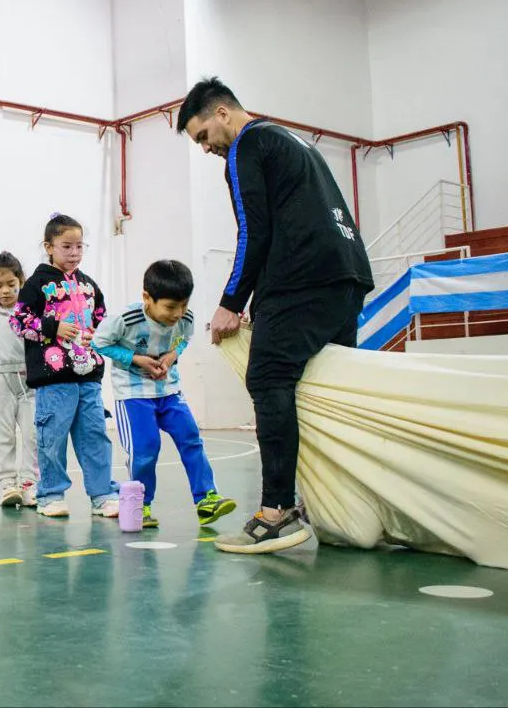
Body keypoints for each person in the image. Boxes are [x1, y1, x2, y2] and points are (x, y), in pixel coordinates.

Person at [177, 76, 373, 554]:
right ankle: (342, 507)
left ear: (222, 113)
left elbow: (254, 231)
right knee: (327, 391)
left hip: (303, 280)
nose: (205, 149)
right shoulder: (292, 139)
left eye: (202, 136)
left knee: (267, 381)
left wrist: (231, 302)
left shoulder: (248, 146)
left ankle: (277, 511)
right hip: (347, 277)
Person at [92, 259, 236, 529]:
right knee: (145, 449)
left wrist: (172, 355)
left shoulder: (186, 318)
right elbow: (99, 342)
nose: (178, 313)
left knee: (191, 438)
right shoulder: (126, 319)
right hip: (133, 395)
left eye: (183, 305)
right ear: (147, 298)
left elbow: (183, 340)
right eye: (170, 306)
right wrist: (135, 359)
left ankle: (206, 499)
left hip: (170, 391)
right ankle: (140, 505)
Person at [10, 214, 119, 520]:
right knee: (52, 437)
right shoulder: (36, 283)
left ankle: (102, 495)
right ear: (49, 246)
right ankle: (51, 494)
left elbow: (102, 319)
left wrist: (100, 335)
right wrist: (52, 327)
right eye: (66, 246)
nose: (74, 253)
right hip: (53, 378)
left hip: (89, 377)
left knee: (95, 435)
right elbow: (17, 321)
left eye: (79, 246)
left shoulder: (88, 284)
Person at [0, 251, 38, 508]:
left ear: (21, 282)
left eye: (11, 285)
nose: (4, 291)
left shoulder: (31, 311)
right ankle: (7, 485)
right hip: (0, 381)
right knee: (4, 435)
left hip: (30, 382)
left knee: (33, 434)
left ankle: (28, 484)